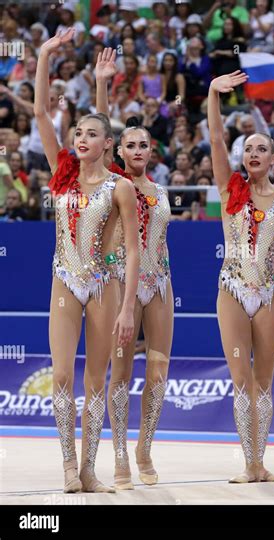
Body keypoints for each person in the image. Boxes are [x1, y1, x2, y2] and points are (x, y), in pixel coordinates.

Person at [35, 30, 139, 493]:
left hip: (104, 284)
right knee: (61, 374)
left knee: (96, 379)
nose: (80, 138)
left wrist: (127, 306)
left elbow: (134, 249)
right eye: (78, 132)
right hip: (64, 279)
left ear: (107, 144)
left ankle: (90, 468)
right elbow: (40, 112)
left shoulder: (121, 187)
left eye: (92, 134)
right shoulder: (62, 174)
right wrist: (43, 55)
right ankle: (65, 466)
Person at [209, 71, 274, 482]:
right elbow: (217, 139)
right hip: (232, 290)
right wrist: (214, 96)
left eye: (261, 149)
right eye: (248, 149)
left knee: (263, 381)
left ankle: (263, 462)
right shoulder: (227, 190)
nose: (253, 154)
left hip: (271, 293)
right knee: (240, 380)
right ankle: (251, 464)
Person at [96, 48, 174, 489]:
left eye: (145, 144)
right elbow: (102, 128)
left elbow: (162, 241)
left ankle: (145, 446)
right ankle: (120, 454)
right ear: (118, 149)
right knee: (121, 373)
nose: (138, 149)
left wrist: (164, 281)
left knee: (159, 372)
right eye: (131, 144)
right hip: (121, 286)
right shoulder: (114, 182)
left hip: (160, 284)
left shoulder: (160, 188)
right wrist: (104, 82)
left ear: (151, 150)